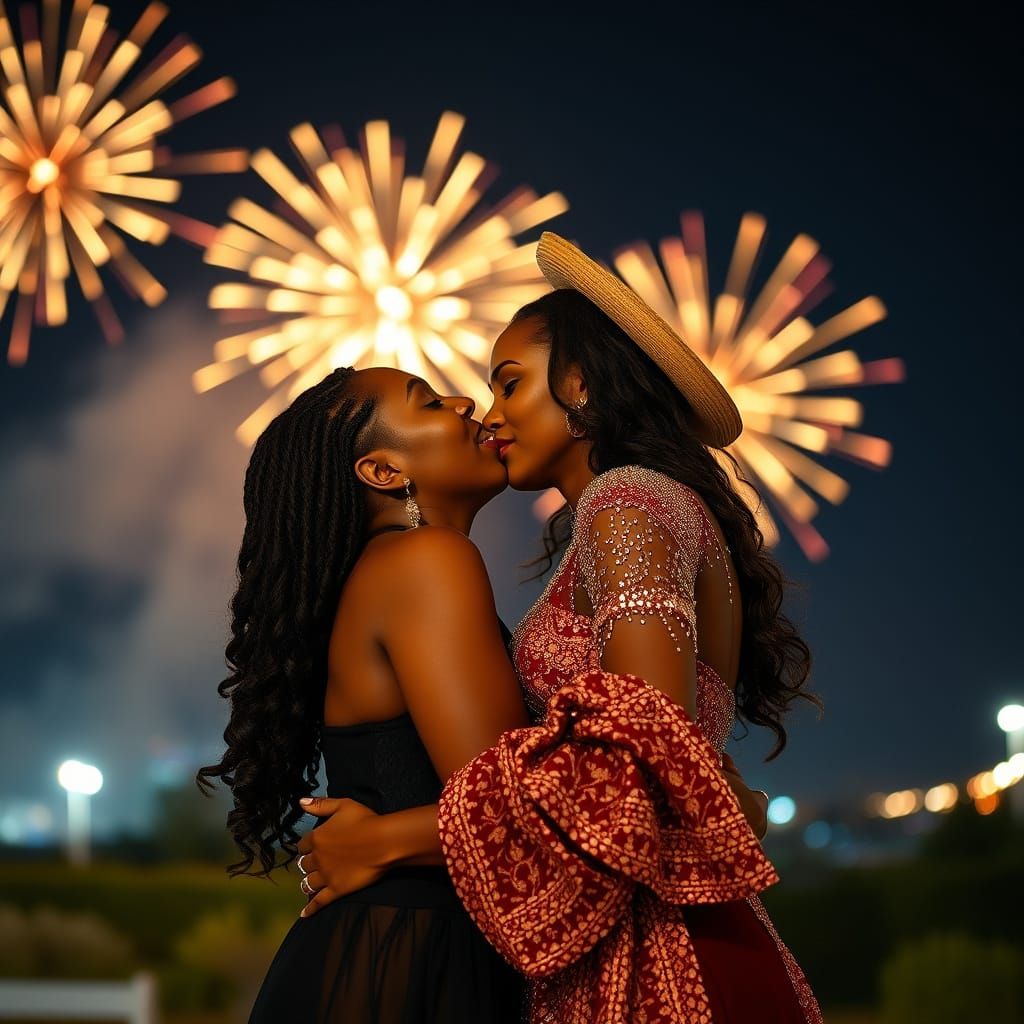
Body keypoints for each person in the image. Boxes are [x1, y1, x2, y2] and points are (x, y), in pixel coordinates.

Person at [298, 233, 825, 1023]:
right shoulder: (628, 513)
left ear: (578, 383)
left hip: (666, 961)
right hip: (658, 936)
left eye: (510, 384)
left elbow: (637, 768)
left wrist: (386, 840)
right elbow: (659, 762)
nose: (488, 414)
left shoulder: (626, 502)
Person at [195, 365, 532, 1023]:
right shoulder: (426, 560)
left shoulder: (383, 570)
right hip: (413, 958)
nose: (466, 401)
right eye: (429, 403)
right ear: (383, 471)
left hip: (382, 951)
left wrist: (379, 839)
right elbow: (504, 806)